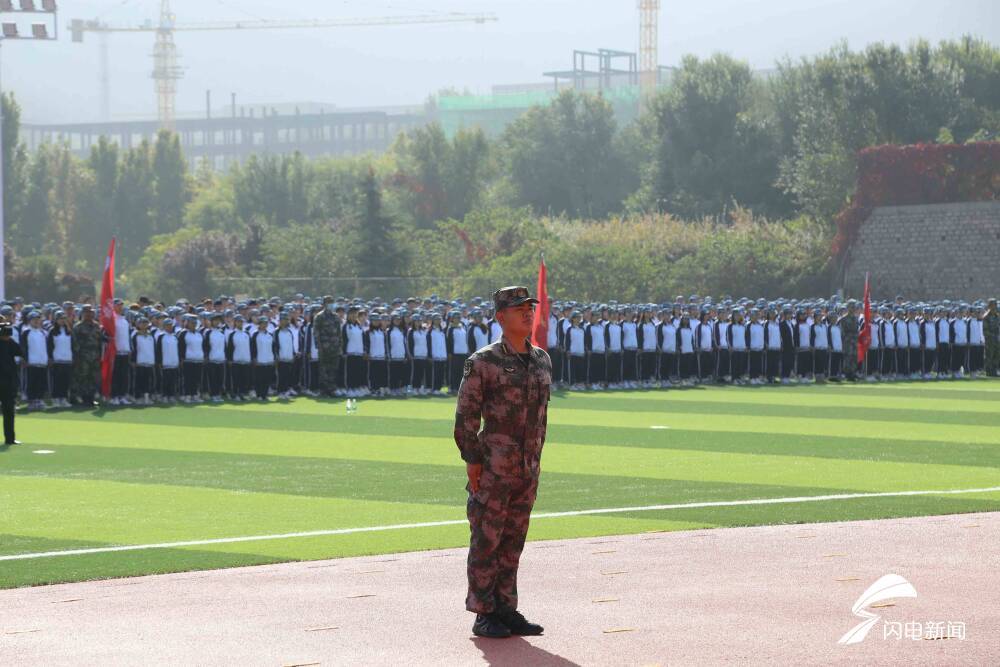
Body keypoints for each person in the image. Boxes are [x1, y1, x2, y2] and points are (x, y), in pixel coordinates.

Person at [455, 285, 550, 639]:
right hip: (494, 468)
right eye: (519, 308)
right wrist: (473, 461)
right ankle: (483, 612)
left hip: (526, 468)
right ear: (500, 317)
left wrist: (534, 461)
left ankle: (505, 608)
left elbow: (541, 418)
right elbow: (466, 416)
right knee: (487, 540)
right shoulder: (483, 361)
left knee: (513, 541)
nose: (527, 313)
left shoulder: (541, 359)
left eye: (530, 308)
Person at [71, 305, 103, 407]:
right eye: (87, 312)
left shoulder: (97, 326)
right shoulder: (78, 327)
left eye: (91, 312)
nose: (89, 314)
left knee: (93, 378)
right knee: (82, 377)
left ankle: (90, 398)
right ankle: (79, 398)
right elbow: (74, 343)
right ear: (83, 314)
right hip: (83, 357)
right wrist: (78, 356)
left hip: (95, 356)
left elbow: (99, 340)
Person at [312, 296, 343, 397]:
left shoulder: (336, 316)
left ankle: (332, 389)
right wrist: (319, 346)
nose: (331, 304)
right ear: (324, 304)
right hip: (324, 348)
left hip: (335, 347)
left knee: (333, 369)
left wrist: (340, 346)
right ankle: (324, 390)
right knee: (324, 370)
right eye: (329, 302)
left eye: (332, 302)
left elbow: (339, 333)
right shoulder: (319, 317)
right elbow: (316, 333)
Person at [0, 323, 21, 444]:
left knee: (9, 411)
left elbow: (20, 351)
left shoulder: (10, 343)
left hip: (8, 383)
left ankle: (10, 438)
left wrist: (9, 340)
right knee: (8, 411)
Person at [983, 299, 999, 377]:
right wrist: (992, 335)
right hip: (990, 340)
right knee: (989, 356)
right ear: (989, 306)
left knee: (997, 355)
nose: (994, 307)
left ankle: (994, 370)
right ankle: (988, 371)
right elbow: (985, 330)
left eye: (995, 305)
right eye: (993, 305)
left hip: (997, 340)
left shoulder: (997, 316)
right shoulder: (986, 317)